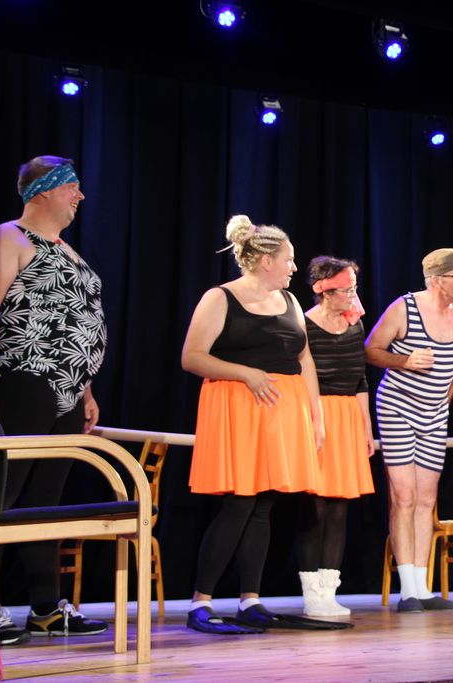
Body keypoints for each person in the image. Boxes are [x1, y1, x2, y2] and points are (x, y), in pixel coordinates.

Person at [0, 155, 108, 646]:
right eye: (73, 187)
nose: (80, 196)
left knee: (46, 501)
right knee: (1, 496)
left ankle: (47, 609)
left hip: (70, 390)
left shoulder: (68, 250)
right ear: (45, 189)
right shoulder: (9, 237)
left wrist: (87, 389)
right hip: (25, 377)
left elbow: (78, 317)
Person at [181, 215, 325, 634]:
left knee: (264, 505)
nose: (294, 267)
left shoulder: (291, 302)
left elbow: (304, 360)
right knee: (240, 503)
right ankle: (200, 603)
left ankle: (250, 599)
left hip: (282, 413)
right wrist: (245, 373)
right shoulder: (220, 298)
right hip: (239, 409)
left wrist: (315, 416)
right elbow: (192, 356)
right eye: (289, 259)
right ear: (265, 261)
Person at [365, 248, 453, 613]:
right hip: (397, 407)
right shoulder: (405, 308)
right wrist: (405, 361)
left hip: (435, 414)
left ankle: (423, 589)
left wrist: (443, 403)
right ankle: (408, 590)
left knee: (427, 500)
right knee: (405, 497)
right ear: (438, 280)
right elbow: (371, 349)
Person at [297, 256, 376, 617]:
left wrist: (366, 428)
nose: (352, 296)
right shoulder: (304, 326)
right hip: (316, 415)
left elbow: (360, 380)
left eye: (353, 289)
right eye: (346, 290)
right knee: (314, 508)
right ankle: (311, 592)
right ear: (325, 291)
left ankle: (329, 591)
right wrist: (313, 420)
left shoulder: (355, 325)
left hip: (347, 417)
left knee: (339, 508)